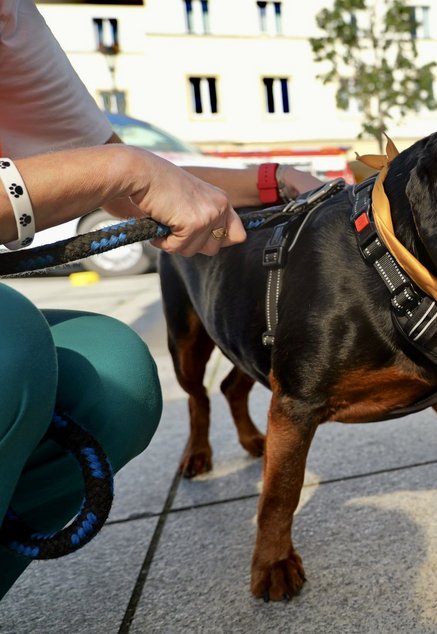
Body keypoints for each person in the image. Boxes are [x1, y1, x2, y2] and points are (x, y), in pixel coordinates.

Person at [0, 0, 318, 598]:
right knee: (11, 347)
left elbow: (127, 183)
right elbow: (122, 173)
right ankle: (200, 427)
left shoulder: (16, 21)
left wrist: (273, 180)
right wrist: (124, 169)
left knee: (118, 379)